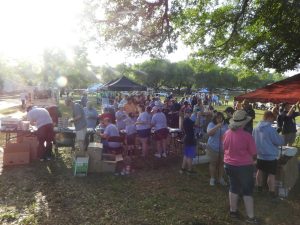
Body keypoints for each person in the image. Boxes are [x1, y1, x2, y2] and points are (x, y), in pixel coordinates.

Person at [223, 110, 258, 223]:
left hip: (229, 164)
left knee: (233, 187)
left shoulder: (227, 133)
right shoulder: (247, 136)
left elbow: (224, 148)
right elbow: (253, 153)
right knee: (247, 191)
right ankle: (251, 217)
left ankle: (233, 211)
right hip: (244, 167)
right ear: (244, 123)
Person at [252, 111, 284, 199]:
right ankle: (271, 192)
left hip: (260, 154)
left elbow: (253, 140)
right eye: (272, 119)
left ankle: (259, 188)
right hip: (270, 156)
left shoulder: (256, 127)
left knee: (260, 171)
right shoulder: (270, 129)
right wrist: (280, 137)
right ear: (269, 117)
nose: (273, 121)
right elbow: (279, 142)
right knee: (271, 174)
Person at [206, 112, 228, 186]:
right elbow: (209, 133)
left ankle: (220, 178)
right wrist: (217, 126)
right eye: (218, 118)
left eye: (221, 117)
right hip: (212, 147)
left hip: (222, 148)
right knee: (213, 163)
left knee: (221, 164)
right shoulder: (211, 124)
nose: (219, 119)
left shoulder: (226, 125)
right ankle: (212, 178)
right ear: (215, 118)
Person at [180, 109, 197, 175]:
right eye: (189, 113)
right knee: (190, 156)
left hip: (187, 138)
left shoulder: (185, 120)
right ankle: (189, 170)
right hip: (190, 139)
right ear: (186, 113)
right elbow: (196, 124)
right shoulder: (188, 120)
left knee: (186, 155)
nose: (190, 114)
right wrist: (198, 116)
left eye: (190, 113)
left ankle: (182, 169)